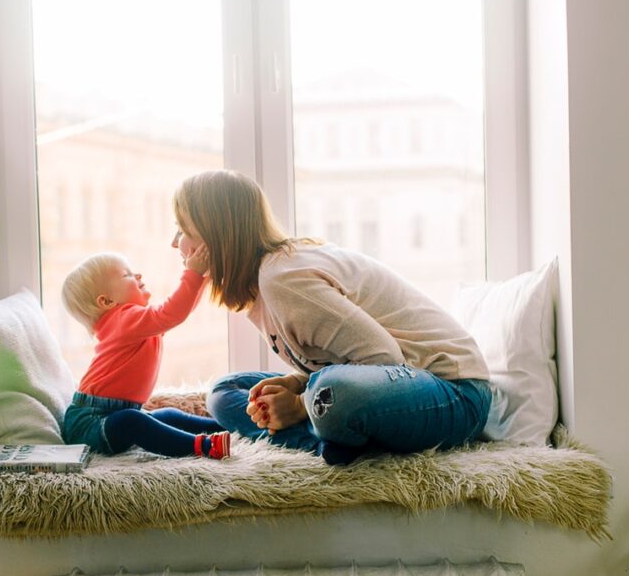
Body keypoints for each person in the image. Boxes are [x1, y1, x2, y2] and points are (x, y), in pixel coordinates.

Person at [170, 169, 491, 465]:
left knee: (331, 392)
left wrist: (298, 404)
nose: (175, 243)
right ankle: (330, 441)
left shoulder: (283, 279)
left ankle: (324, 432)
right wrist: (299, 385)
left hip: (454, 393)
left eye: (183, 230)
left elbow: (385, 358)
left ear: (217, 237)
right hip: (386, 385)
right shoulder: (262, 286)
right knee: (225, 392)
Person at [61, 247, 232, 460]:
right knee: (132, 422)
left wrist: (203, 279)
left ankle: (226, 428)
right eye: (127, 275)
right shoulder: (124, 319)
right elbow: (172, 313)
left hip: (113, 413)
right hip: (89, 424)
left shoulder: (132, 322)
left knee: (168, 415)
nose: (138, 275)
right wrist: (194, 275)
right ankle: (203, 446)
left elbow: (178, 313)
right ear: (106, 302)